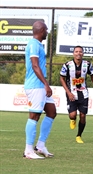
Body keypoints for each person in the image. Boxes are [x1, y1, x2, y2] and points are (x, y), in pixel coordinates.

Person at [23, 21, 57, 159]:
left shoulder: (38, 45)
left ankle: (40, 145)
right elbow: (35, 66)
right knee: (34, 116)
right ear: (41, 30)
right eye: (46, 29)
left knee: (51, 111)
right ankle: (28, 150)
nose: (47, 32)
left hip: (40, 85)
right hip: (35, 85)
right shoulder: (33, 44)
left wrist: (45, 84)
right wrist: (45, 84)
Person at [60, 45, 93, 143]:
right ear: (73, 53)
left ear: (83, 53)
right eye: (76, 51)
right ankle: (72, 119)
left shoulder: (87, 64)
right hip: (72, 93)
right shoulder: (67, 65)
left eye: (80, 51)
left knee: (83, 115)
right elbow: (61, 78)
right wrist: (68, 92)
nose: (78, 53)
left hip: (83, 93)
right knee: (73, 114)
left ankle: (79, 135)